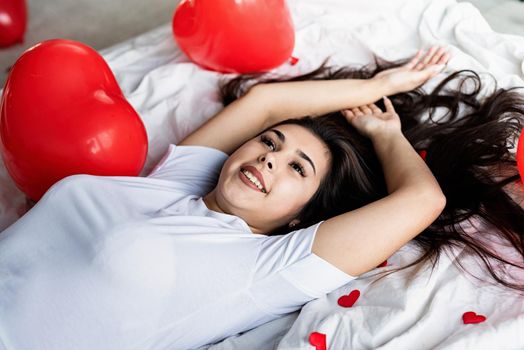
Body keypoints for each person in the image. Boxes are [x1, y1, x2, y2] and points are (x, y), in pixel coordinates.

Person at [0, 46, 522, 350]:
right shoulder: (184, 177)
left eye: (297, 168)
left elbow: (419, 203)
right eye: (271, 143)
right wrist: (381, 83)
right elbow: (267, 102)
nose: (271, 157)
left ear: (300, 216)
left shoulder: (265, 264)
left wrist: (388, 135)